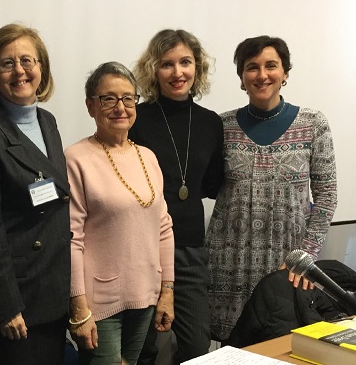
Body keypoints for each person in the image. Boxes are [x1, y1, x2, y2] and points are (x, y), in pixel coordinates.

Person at [205, 35, 338, 342]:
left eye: (271, 66)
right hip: (229, 263)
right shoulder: (221, 126)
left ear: (285, 72)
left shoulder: (313, 124)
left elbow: (327, 196)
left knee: (282, 345)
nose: (262, 75)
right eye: (252, 67)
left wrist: (305, 257)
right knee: (231, 348)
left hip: (286, 263)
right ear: (241, 76)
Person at [0, 23, 71, 365]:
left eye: (27, 61)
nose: (20, 71)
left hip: (53, 284)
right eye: (7, 63)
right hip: (20, 299)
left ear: (41, 68)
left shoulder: (48, 121)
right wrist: (6, 306)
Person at [66, 61, 175, 365]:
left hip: (145, 294)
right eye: (108, 99)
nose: (120, 107)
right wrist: (78, 307)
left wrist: (167, 291)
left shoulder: (148, 157)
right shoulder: (76, 158)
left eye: (128, 98)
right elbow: (71, 238)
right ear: (91, 106)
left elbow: (163, 228)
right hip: (99, 302)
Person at [129, 29, 224, 364]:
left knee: (197, 347)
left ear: (197, 67)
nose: (177, 72)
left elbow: (212, 185)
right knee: (142, 348)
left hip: (189, 250)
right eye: (167, 64)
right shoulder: (136, 118)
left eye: (185, 62)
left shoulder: (211, 123)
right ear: (154, 70)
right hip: (142, 248)